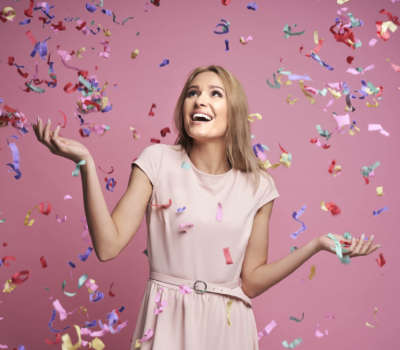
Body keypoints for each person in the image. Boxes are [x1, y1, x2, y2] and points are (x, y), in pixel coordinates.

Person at [32, 65, 381, 349]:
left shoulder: (259, 186)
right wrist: (86, 163)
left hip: (229, 328)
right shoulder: (157, 161)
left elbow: (252, 282)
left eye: (215, 93)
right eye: (193, 93)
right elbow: (107, 247)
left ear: (235, 112)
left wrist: (315, 246)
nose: (200, 100)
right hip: (166, 321)